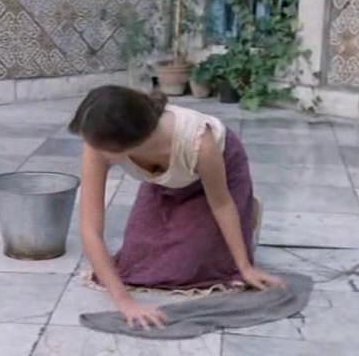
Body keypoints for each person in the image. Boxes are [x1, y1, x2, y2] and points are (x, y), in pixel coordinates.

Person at [68, 85, 285, 331]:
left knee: (190, 266)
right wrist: (125, 302)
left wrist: (244, 266)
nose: (91, 148)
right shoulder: (97, 144)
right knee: (138, 265)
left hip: (219, 178)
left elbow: (222, 204)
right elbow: (90, 228)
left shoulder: (199, 143)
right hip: (167, 181)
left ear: (128, 146)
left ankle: (248, 211)